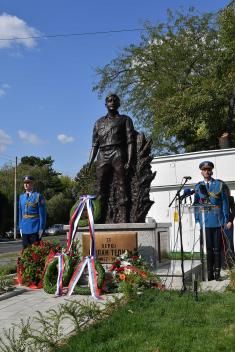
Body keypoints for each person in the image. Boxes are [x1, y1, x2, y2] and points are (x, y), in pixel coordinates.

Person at [88, 93, 135, 222]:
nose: (112, 102)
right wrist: (90, 162)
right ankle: (99, 217)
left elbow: (131, 141)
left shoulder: (125, 119)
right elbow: (94, 145)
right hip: (102, 154)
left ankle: (124, 217)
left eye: (115, 100)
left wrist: (130, 160)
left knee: (122, 184)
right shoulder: (98, 122)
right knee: (99, 186)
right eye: (109, 100)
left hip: (118, 152)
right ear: (105, 104)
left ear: (119, 103)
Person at [194, 161, 229, 281]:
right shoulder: (198, 186)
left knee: (217, 249)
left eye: (208, 169)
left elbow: (225, 202)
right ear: (201, 172)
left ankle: (217, 273)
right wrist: (198, 219)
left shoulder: (219, 184)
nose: (206, 171)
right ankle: (209, 273)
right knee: (208, 249)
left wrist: (225, 219)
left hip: (217, 221)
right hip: (205, 222)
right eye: (204, 170)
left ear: (211, 171)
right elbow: (196, 204)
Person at [19, 176, 46, 249]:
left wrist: (41, 228)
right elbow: (20, 214)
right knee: (25, 252)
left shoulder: (38, 196)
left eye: (28, 182)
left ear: (32, 184)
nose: (26, 184)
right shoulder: (21, 197)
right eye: (25, 183)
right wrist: (20, 227)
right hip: (24, 228)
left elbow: (42, 215)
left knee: (35, 253)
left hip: (35, 228)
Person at [221, 183, 235, 268]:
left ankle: (231, 263)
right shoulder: (218, 199)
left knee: (229, 242)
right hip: (219, 223)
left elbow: (233, 211)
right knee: (222, 243)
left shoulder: (230, 198)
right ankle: (223, 263)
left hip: (228, 223)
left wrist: (230, 221)